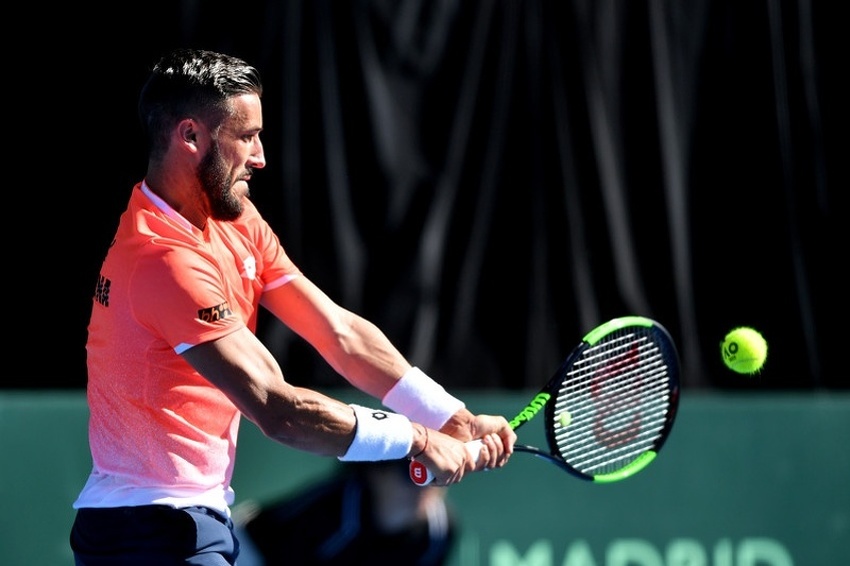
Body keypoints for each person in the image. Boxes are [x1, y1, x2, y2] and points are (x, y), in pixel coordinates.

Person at [69, 48, 515, 565]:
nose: (260, 156)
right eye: (247, 137)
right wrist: (414, 440)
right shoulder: (163, 261)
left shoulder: (235, 221)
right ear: (190, 136)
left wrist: (447, 416)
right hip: (150, 531)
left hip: (180, 523)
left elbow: (340, 334)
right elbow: (279, 410)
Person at [233, 460, 458, 565]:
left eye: (435, 476)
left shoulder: (439, 533)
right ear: (375, 473)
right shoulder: (328, 513)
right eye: (411, 474)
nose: (425, 487)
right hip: (248, 550)